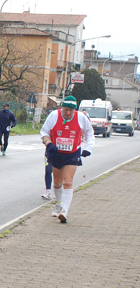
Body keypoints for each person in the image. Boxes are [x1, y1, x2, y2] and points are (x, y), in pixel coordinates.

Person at [40, 95, 94, 223]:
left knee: (68, 181)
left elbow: (90, 133)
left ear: (75, 110)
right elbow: (44, 132)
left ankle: (64, 210)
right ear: (62, 108)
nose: (68, 113)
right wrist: (49, 143)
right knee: (57, 182)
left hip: (72, 153)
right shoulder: (54, 116)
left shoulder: (81, 117)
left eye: (71, 110)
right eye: (66, 110)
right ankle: (58, 204)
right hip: (56, 153)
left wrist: (88, 148)